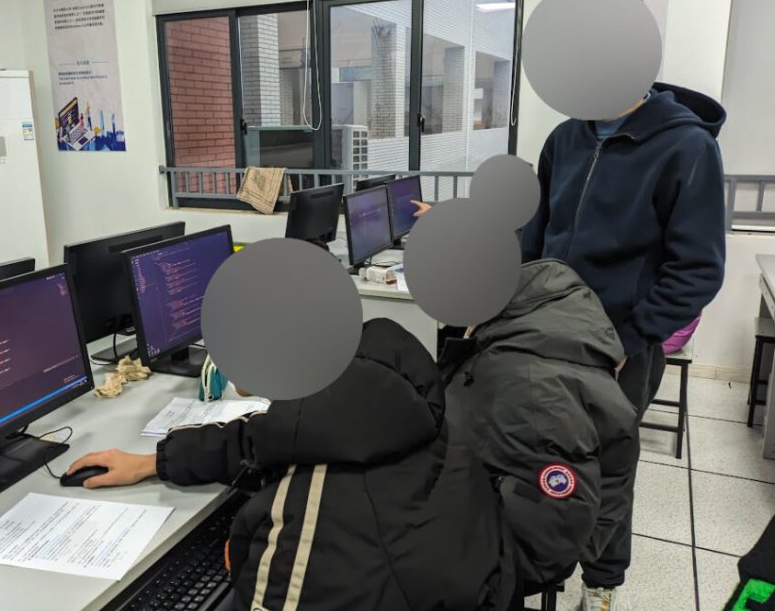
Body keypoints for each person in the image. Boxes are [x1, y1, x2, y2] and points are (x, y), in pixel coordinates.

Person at [67, 318, 517, 611]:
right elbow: (265, 437)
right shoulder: (374, 389)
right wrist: (157, 462)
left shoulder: (319, 500)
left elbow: (281, 594)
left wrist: (243, 558)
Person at [518, 81, 726, 610]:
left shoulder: (688, 147)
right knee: (536, 454)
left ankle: (601, 584)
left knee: (607, 469)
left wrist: (630, 340)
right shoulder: (565, 139)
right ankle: (536, 566)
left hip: (622, 349)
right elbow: (537, 236)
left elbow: (698, 270)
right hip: (549, 333)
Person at [440, 259, 639, 603]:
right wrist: (592, 545)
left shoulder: (505, 372)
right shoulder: (577, 335)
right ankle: (601, 582)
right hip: (562, 536)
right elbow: (619, 464)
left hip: (512, 556)